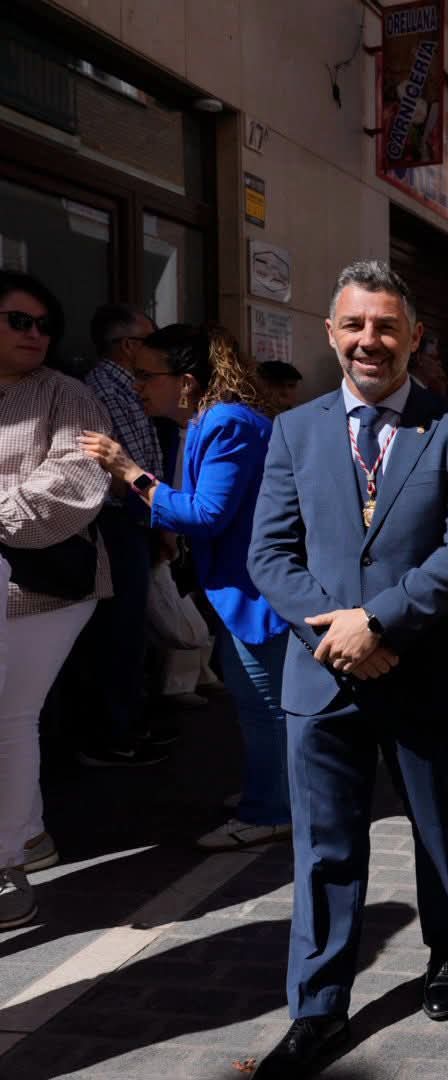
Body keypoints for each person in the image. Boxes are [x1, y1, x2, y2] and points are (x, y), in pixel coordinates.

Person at [247, 260, 448, 1076]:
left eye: (387, 326)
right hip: (322, 678)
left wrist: (378, 621)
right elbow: (270, 555)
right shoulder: (294, 431)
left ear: (414, 336)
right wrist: (339, 633)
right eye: (354, 325)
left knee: (437, 824)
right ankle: (318, 1010)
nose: (370, 341)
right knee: (323, 850)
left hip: (421, 668)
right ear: (330, 333)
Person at [79, 323, 294, 851]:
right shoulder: (210, 420)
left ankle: (271, 810)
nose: (137, 386)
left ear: (187, 382)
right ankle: (272, 792)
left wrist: (129, 471)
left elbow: (205, 513)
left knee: (263, 707)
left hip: (256, 590)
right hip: (243, 585)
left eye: (146, 375)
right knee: (260, 705)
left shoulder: (226, 422)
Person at [0, 272, 112, 928]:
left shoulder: (66, 394)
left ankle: (8, 866)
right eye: (19, 321)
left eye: (44, 324)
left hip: (42, 588)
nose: (35, 334)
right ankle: (31, 834)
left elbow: (73, 481)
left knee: (10, 718)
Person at [71, 302, 166, 767]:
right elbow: (115, 470)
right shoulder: (102, 390)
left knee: (129, 629)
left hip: (136, 516)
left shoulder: (126, 385)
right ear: (129, 346)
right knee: (118, 631)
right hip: (116, 520)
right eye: (152, 339)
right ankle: (114, 732)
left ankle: (128, 722)